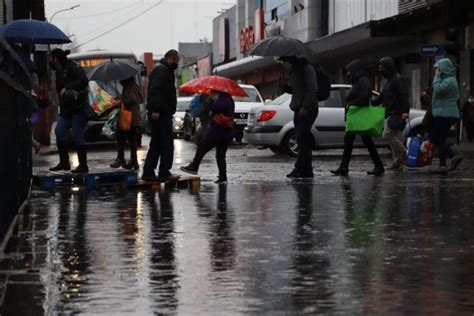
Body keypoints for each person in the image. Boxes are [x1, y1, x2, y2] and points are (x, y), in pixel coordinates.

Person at [331, 59, 384, 176]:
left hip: (360, 116)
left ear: (356, 70)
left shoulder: (363, 81)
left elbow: (365, 99)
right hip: (356, 117)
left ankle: (378, 166)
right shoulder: (358, 81)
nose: (348, 73)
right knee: (350, 140)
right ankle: (344, 167)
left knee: (363, 140)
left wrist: (351, 103)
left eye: (350, 71)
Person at [142, 49, 181, 182]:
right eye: (176, 61)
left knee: (158, 144)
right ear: (171, 59)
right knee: (165, 144)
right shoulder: (162, 70)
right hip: (161, 114)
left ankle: (150, 172)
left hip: (163, 113)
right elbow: (155, 90)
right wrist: (156, 110)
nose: (177, 64)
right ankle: (163, 172)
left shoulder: (164, 70)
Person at [180, 90, 235, 183]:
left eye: (213, 91)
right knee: (220, 155)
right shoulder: (228, 98)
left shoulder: (223, 98)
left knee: (202, 146)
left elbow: (215, 108)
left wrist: (210, 100)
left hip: (219, 131)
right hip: (226, 132)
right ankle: (223, 176)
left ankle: (194, 166)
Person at [49, 48, 89, 173]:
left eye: (52, 58)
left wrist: (68, 88)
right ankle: (64, 162)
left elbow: (83, 81)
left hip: (78, 109)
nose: (51, 61)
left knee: (78, 136)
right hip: (66, 110)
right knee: (59, 132)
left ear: (56, 58)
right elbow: (58, 89)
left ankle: (83, 165)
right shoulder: (58, 72)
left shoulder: (73, 67)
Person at [279, 56, 319, 179]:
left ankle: (300, 168)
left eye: (286, 59)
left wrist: (305, 106)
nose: (285, 61)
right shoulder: (296, 70)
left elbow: (313, 89)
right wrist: (285, 87)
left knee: (302, 139)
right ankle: (306, 170)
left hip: (307, 110)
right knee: (303, 141)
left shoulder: (307, 68)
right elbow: (298, 91)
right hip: (298, 109)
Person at [372, 57, 410, 171]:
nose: (380, 69)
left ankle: (404, 153)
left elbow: (404, 95)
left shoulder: (398, 80)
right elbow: (381, 98)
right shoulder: (388, 81)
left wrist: (405, 111)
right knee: (393, 137)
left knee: (387, 135)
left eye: (381, 67)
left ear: (388, 67)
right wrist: (369, 103)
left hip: (397, 113)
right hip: (389, 113)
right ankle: (397, 161)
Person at [428, 58, 463, 174]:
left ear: (443, 69)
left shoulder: (450, 80)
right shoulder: (446, 80)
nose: (437, 70)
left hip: (445, 114)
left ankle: (453, 156)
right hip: (442, 113)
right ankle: (442, 166)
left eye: (438, 68)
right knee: (440, 138)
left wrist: (436, 77)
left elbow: (438, 89)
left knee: (437, 138)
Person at [109, 76, 144, 170]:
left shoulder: (129, 87)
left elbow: (131, 100)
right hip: (133, 118)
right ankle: (134, 161)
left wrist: (120, 102)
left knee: (120, 135)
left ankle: (121, 159)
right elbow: (140, 99)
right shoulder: (134, 86)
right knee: (131, 140)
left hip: (129, 118)